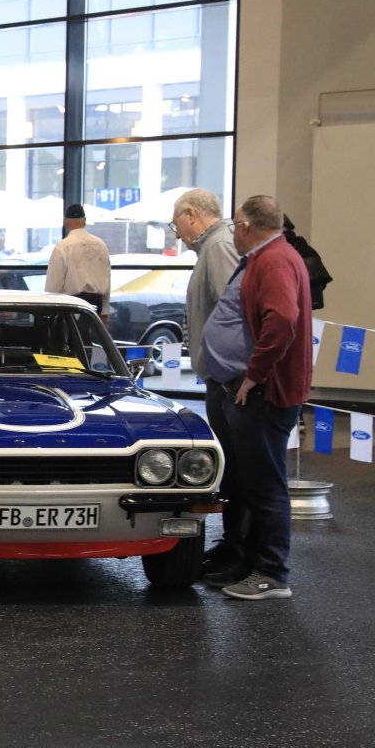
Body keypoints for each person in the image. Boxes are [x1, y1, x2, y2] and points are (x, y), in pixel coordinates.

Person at [198, 195, 312, 600]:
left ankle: (272, 574)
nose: (233, 232)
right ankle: (249, 561)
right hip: (247, 389)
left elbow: (282, 319)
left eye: (235, 225)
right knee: (250, 482)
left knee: (265, 487)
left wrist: (255, 375)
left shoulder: (274, 260)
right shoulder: (266, 258)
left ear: (246, 225)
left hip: (263, 393)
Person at [170, 189, 242, 581]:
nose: (177, 233)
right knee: (233, 465)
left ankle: (239, 549)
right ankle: (233, 544)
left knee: (237, 467)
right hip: (222, 377)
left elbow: (236, 312)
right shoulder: (213, 248)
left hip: (227, 379)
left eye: (176, 224)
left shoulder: (217, 248)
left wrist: (230, 370)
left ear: (191, 215)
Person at [44, 204, 111, 314]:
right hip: (96, 305)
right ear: (85, 221)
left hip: (71, 306)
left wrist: (49, 311)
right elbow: (107, 277)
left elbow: (54, 284)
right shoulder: (100, 245)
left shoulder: (63, 247)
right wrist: (105, 310)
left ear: (65, 222)